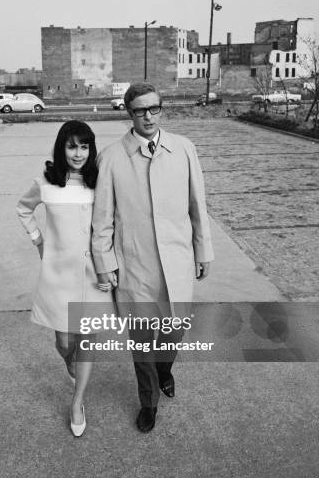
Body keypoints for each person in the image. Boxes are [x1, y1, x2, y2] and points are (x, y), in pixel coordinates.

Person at [92, 83, 214, 433]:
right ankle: (148, 403)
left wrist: (203, 249)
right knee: (142, 342)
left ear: (162, 109)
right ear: (128, 113)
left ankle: (165, 369)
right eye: (139, 110)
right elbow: (102, 220)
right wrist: (106, 263)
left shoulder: (184, 149)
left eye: (154, 108)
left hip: (176, 263)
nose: (148, 116)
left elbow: (197, 206)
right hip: (135, 266)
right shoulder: (112, 157)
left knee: (173, 334)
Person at [16, 120, 110, 437]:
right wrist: (39, 241)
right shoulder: (46, 180)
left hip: (94, 275)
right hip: (58, 276)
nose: (78, 153)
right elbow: (23, 209)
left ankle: (77, 402)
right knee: (64, 341)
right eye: (72, 146)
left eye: (84, 146)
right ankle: (68, 360)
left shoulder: (100, 181)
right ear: (62, 147)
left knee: (87, 342)